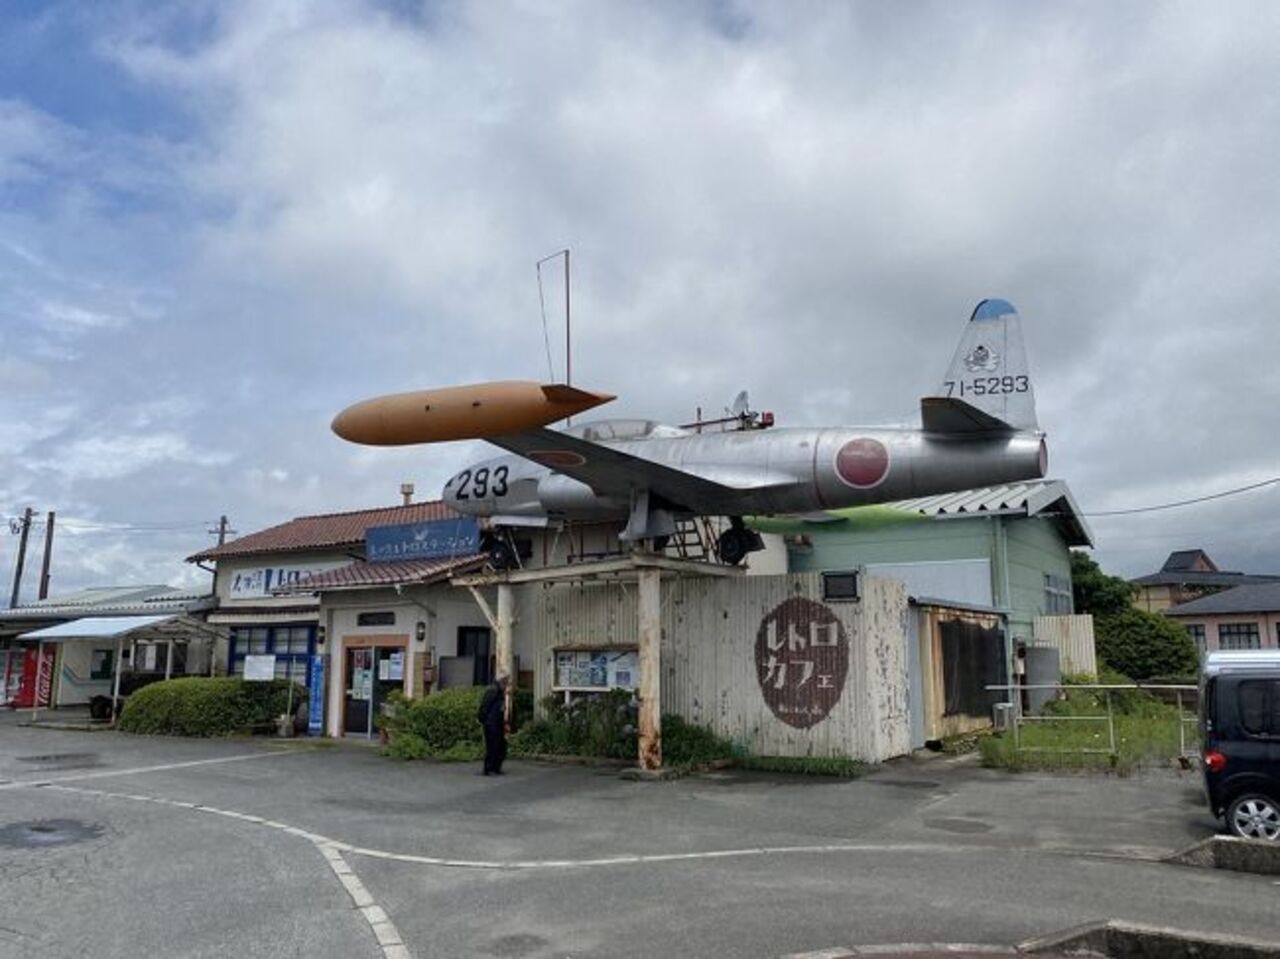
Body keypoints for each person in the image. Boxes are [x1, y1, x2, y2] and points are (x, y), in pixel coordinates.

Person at [477, 673, 509, 775]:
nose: (507, 683)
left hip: (498, 723)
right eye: (506, 680)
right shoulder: (493, 690)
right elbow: (484, 706)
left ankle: (496, 767)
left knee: (500, 746)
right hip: (491, 723)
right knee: (492, 746)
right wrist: (484, 720)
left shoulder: (500, 691)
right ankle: (489, 768)